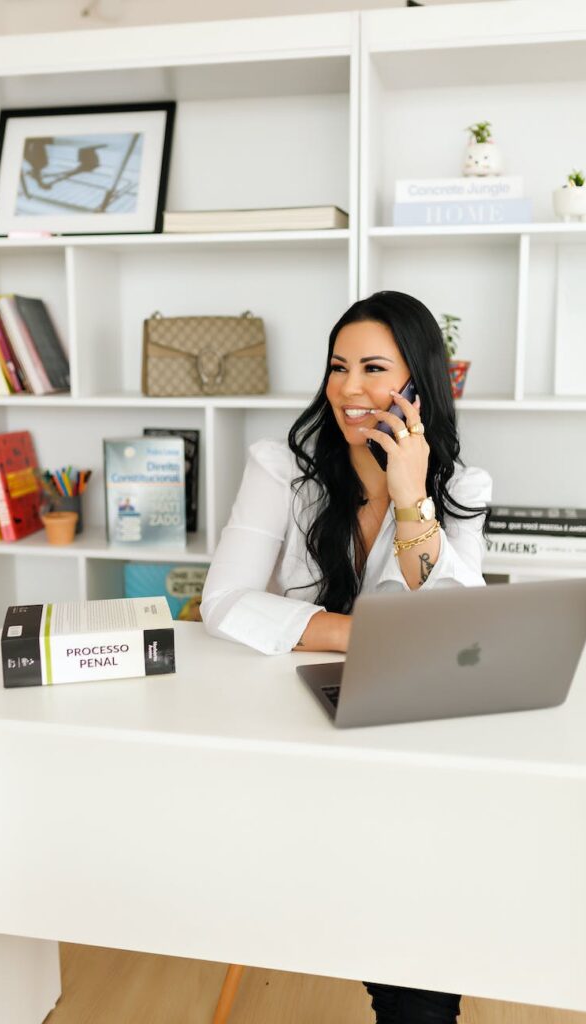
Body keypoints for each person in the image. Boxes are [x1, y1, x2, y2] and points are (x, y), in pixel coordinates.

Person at [201, 289, 491, 1023]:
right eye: (337, 367)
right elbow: (224, 602)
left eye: (371, 367)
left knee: (418, 914)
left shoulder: (459, 489)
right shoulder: (281, 470)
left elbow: (458, 625)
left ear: (416, 386)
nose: (348, 388)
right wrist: (361, 632)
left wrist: (410, 496)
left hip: (401, 736)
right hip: (291, 728)